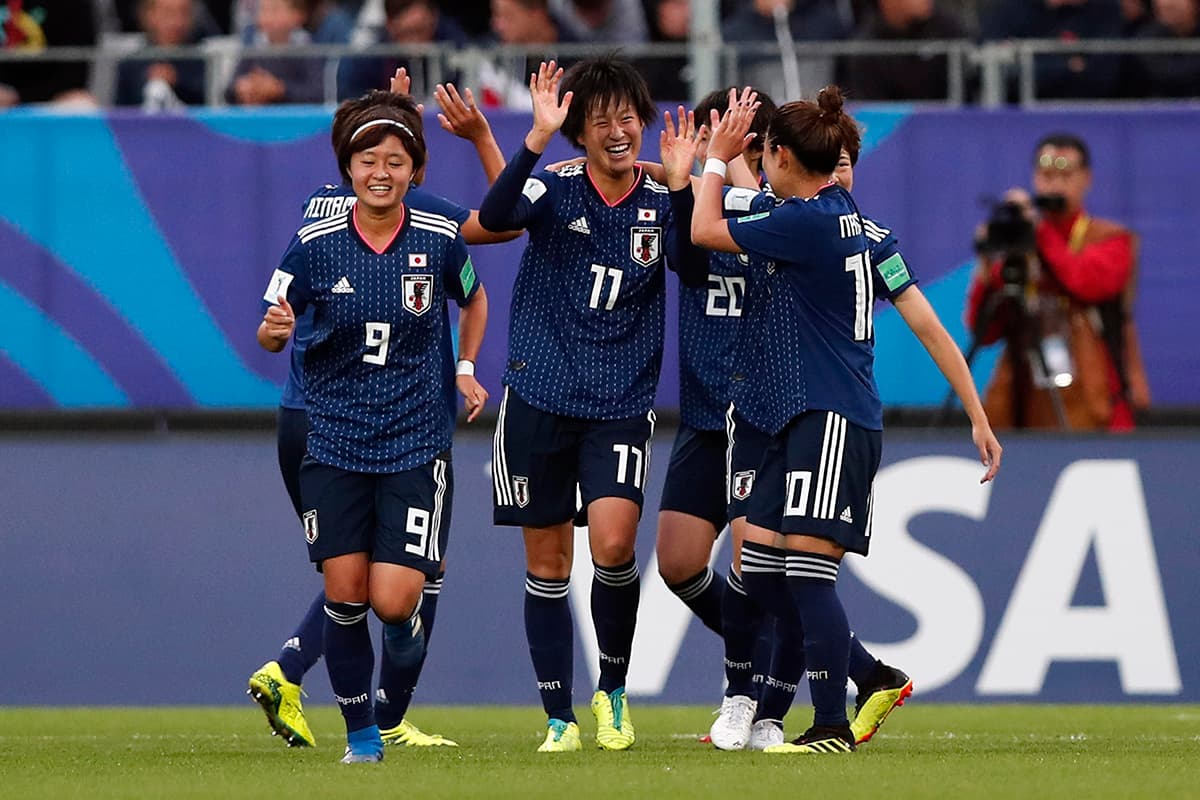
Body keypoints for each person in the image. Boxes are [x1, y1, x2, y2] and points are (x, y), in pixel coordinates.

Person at [693, 85, 1001, 754]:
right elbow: (923, 320)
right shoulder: (858, 226)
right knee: (762, 572)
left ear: (785, 157)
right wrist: (975, 410)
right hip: (790, 413)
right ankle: (869, 675)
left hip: (827, 410)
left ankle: (827, 721)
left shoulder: (802, 223)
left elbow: (708, 223)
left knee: (802, 573)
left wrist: (715, 158)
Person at [248, 73, 517, 751]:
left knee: (394, 597)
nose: (381, 172)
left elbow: (479, 283)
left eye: (396, 160)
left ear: (415, 169)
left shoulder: (435, 230)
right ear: (345, 167)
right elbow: (270, 320)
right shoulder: (314, 236)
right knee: (347, 590)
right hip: (328, 432)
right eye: (368, 159)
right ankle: (364, 737)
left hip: (414, 436)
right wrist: (273, 332)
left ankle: (364, 672)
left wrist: (463, 367)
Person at [477, 56, 706, 752]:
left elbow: (693, 271)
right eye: (601, 119)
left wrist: (685, 185)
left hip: (619, 401)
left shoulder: (662, 198)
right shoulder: (554, 189)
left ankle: (612, 690)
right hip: (539, 394)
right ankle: (557, 715)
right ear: (580, 130)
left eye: (627, 117)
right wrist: (535, 138)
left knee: (612, 543)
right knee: (547, 565)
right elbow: (493, 217)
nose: (618, 130)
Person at [966, 132, 1150, 431]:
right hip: (1024, 402)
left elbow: (1084, 283)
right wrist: (988, 264)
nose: (1055, 183)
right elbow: (983, 332)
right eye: (1046, 174)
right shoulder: (1021, 243)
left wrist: (1038, 232)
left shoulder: (1112, 240)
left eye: (1066, 174)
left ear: (1086, 178)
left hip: (1096, 401)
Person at [337, 0, 470, 100]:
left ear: (434, 19)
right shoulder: (371, 58)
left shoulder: (453, 48)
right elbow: (355, 100)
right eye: (406, 33)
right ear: (389, 24)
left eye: (420, 30)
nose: (415, 42)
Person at [227, 0, 324, 105]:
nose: (268, 16)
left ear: (298, 14)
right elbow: (229, 90)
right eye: (263, 10)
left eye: (275, 9)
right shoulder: (253, 46)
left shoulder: (307, 47)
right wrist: (243, 88)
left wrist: (280, 89)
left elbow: (317, 94)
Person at [115, 0, 208, 108]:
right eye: (168, 13)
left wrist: (178, 82)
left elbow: (210, 106)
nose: (177, 21)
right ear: (150, 15)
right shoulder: (131, 64)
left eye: (184, 12)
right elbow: (118, 112)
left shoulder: (203, 60)